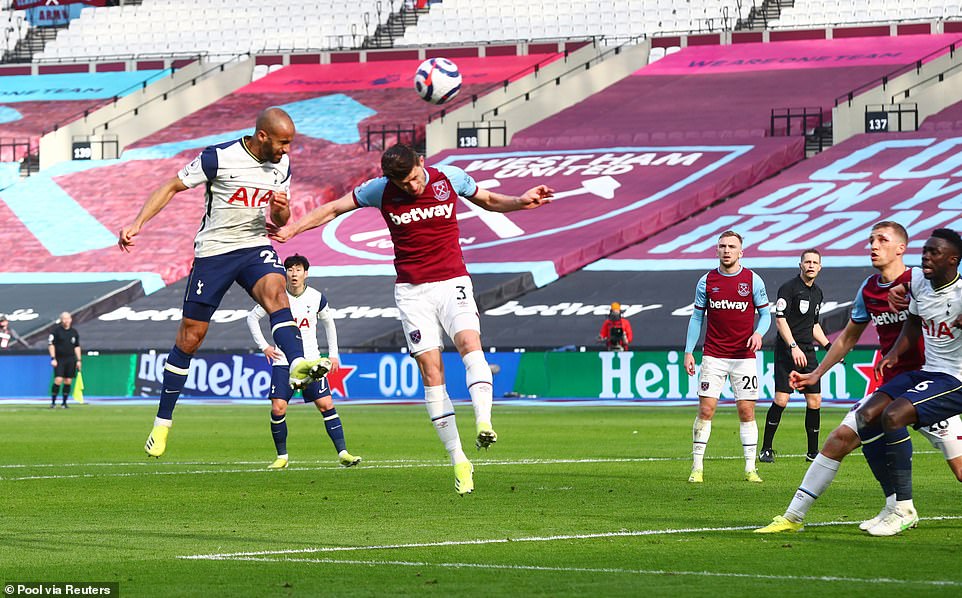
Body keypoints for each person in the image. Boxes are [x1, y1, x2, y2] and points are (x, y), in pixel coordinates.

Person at [270, 143, 554, 495]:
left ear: (422, 162)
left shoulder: (449, 178)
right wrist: (293, 230)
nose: (413, 187)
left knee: (469, 343)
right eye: (404, 184)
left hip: (453, 282)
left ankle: (484, 420)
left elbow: (490, 200)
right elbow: (332, 209)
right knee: (432, 372)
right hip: (412, 293)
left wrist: (521, 201)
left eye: (416, 178)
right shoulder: (380, 190)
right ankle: (459, 460)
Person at [118, 107, 330, 458]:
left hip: (253, 246)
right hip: (214, 252)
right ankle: (162, 422)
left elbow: (280, 217)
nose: (287, 150)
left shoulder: (282, 166)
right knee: (191, 337)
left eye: (290, 144)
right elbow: (171, 185)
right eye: (282, 143)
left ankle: (297, 363)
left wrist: (280, 209)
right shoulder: (217, 158)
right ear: (263, 136)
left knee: (277, 294)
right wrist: (138, 222)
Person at [755, 222, 962, 535]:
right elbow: (846, 340)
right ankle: (794, 516)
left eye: (882, 240)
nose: (874, 245)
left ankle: (900, 507)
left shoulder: (920, 279)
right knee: (847, 433)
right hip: (900, 383)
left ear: (900, 248)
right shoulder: (870, 289)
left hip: (936, 386)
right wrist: (816, 372)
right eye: (871, 240)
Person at [851, 228, 962, 535]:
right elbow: (912, 325)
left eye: (934, 252)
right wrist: (894, 355)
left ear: (953, 260)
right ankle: (892, 505)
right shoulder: (918, 284)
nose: (926, 256)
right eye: (925, 250)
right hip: (926, 372)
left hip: (955, 379)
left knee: (893, 416)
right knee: (866, 416)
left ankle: (905, 509)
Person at [246, 254, 362, 470]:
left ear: (305, 273)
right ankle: (282, 457)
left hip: (311, 362)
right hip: (283, 362)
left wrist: (333, 354)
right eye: (289, 269)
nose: (293, 273)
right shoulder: (276, 297)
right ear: (285, 273)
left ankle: (343, 453)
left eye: (298, 269)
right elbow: (252, 318)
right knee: (278, 408)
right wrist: (264, 346)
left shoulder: (317, 298)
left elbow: (330, 324)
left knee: (326, 404)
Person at [683, 230, 771, 484]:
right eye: (722, 246)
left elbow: (766, 315)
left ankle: (750, 468)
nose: (726, 250)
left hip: (744, 357)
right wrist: (689, 350)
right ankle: (697, 467)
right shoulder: (706, 281)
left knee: (746, 411)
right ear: (717, 250)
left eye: (732, 246)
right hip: (713, 355)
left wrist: (758, 333)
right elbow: (697, 317)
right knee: (706, 409)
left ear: (741, 251)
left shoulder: (753, 280)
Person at [760, 249, 831, 463]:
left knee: (815, 400)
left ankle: (812, 453)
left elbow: (814, 325)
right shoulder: (788, 288)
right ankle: (766, 449)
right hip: (787, 349)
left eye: (814, 262)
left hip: (807, 351)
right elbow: (780, 320)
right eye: (807, 261)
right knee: (782, 399)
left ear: (820, 267)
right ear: (800, 264)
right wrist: (793, 346)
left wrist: (829, 345)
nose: (810, 265)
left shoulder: (818, 292)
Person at [48, 311, 80, 409]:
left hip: (71, 359)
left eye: (68, 318)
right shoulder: (56, 332)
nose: (66, 321)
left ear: (71, 319)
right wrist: (53, 358)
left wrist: (79, 360)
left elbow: (77, 346)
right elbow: (51, 345)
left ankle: (64, 403)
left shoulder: (74, 332)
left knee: (68, 380)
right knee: (58, 379)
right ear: (61, 320)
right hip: (60, 359)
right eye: (64, 318)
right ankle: (53, 402)